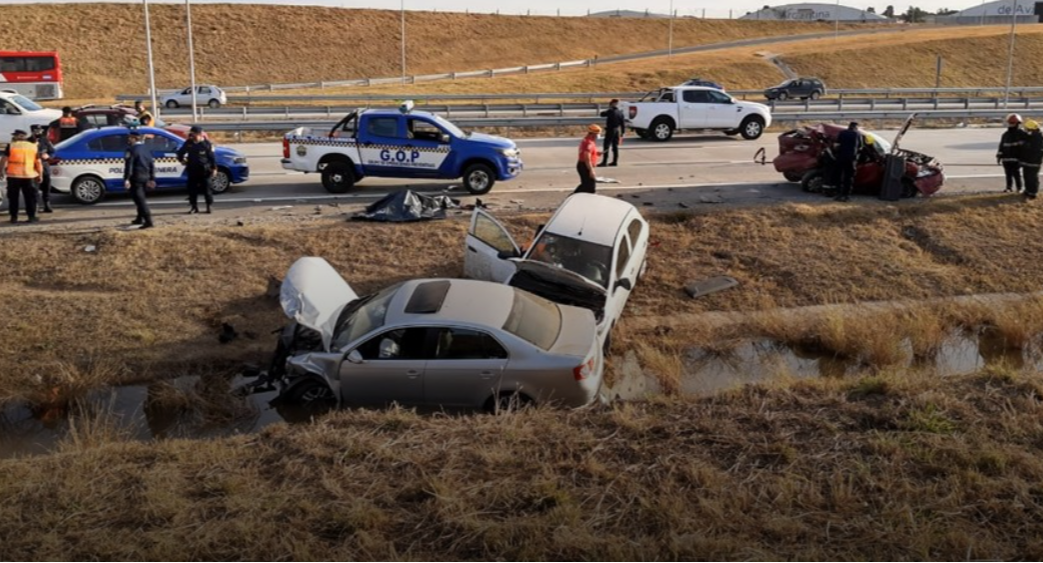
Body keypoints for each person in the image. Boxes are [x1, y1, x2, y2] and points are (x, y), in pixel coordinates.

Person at [0, 129, 43, 224]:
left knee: (13, 197)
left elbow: (4, 159)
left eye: (15, 135)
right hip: (29, 176)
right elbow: (38, 162)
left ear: (19, 136)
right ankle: (31, 217)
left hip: (13, 176)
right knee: (30, 197)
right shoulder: (33, 146)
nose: (13, 137)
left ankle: (14, 218)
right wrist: (40, 175)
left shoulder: (11, 145)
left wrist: (1, 171)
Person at [176, 125, 217, 214]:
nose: (191, 136)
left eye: (193, 134)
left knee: (207, 189)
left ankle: (209, 206)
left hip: (205, 171)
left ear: (199, 134)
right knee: (192, 190)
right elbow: (180, 153)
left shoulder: (206, 144)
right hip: (192, 170)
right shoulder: (189, 143)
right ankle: (194, 207)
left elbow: (212, 157)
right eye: (191, 134)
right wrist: (182, 160)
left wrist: (214, 168)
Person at [124, 129, 155, 229]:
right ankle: (139, 218)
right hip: (145, 176)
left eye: (130, 138)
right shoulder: (146, 148)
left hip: (136, 178)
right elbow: (151, 164)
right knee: (139, 198)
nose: (128, 140)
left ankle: (148, 221)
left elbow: (129, 165)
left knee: (140, 200)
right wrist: (152, 178)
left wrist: (127, 179)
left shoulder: (131, 150)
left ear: (134, 138)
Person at [834, 122, 863, 202]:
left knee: (839, 176)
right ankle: (846, 196)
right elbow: (860, 147)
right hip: (851, 159)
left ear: (849, 127)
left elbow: (836, 145)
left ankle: (838, 194)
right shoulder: (857, 134)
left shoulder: (842, 133)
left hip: (841, 158)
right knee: (849, 177)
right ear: (856, 127)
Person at [998, 113, 1027, 193]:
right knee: (1008, 174)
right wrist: (999, 155)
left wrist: (1022, 158)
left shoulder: (1022, 134)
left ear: (1018, 124)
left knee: (1016, 174)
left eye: (1013, 123)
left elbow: (1025, 147)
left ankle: (1019, 188)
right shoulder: (1005, 135)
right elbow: (1001, 145)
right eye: (1010, 123)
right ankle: (1008, 187)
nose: (1011, 125)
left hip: (1016, 158)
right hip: (1006, 158)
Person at [30, 124, 56, 213]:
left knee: (46, 186)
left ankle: (47, 204)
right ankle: (35, 205)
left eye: (40, 130)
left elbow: (52, 151)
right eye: (36, 131)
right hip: (32, 167)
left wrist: (48, 156)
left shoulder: (45, 140)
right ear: (32, 131)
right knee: (34, 187)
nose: (39, 132)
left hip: (44, 166)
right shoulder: (28, 141)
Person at [599, 99, 625, 167]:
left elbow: (602, 114)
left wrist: (608, 109)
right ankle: (615, 161)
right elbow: (622, 124)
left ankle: (604, 162)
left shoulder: (611, 111)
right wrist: (622, 132)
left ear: (612, 104)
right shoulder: (620, 112)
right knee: (615, 146)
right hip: (617, 130)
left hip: (610, 130)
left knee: (606, 145)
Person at [575, 124, 601, 194]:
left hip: (583, 165)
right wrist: (591, 170)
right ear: (593, 134)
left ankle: (575, 197)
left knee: (586, 185)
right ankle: (574, 197)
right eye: (597, 134)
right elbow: (587, 157)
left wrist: (596, 153)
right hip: (585, 166)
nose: (598, 136)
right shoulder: (589, 143)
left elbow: (588, 153)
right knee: (590, 186)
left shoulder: (587, 140)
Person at [1021, 119, 1043, 200]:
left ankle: (1033, 193)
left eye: (1027, 129)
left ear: (1031, 130)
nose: (1026, 131)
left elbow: (1033, 150)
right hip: (1027, 161)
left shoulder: (1038, 139)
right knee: (1026, 176)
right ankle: (1027, 191)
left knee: (1032, 178)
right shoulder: (1031, 137)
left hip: (1034, 162)